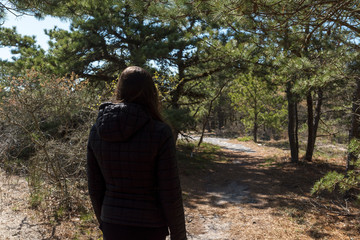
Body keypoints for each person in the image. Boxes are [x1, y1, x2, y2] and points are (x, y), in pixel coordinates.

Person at [86, 66, 187, 240]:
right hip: (150, 227)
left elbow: (95, 187)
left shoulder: (98, 130)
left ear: (120, 89)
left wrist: (104, 221)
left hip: (112, 224)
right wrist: (179, 235)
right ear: (151, 93)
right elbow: (170, 191)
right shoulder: (160, 132)